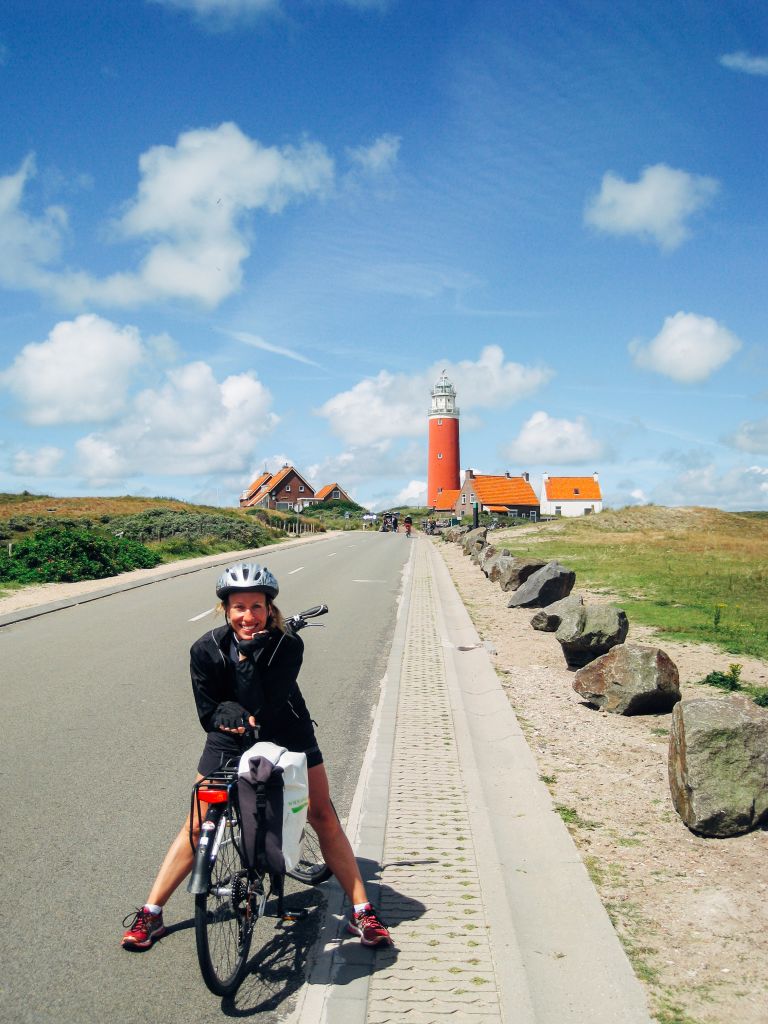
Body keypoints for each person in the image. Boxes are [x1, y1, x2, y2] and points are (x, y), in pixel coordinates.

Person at [121, 561, 391, 951]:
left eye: (257, 607)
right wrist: (220, 713)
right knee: (196, 825)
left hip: (287, 731)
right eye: (239, 608)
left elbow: (266, 703)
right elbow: (206, 709)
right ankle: (151, 913)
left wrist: (247, 660)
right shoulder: (205, 649)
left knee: (322, 814)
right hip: (229, 739)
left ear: (270, 609)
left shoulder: (287, 644)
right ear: (226, 611)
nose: (248, 616)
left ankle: (362, 910)